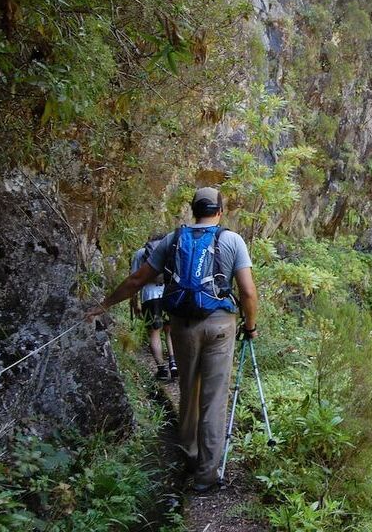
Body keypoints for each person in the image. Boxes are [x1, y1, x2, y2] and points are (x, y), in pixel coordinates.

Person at [86, 187, 258, 492]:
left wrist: (103, 305)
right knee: (214, 399)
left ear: (193, 209)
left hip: (182, 326)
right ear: (220, 210)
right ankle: (206, 476)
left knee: (188, 392)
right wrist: (251, 326)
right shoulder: (232, 240)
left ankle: (189, 456)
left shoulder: (172, 239)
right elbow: (246, 291)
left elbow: (137, 279)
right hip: (220, 325)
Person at [129, 234, 177, 381]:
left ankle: (162, 370)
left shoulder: (140, 254)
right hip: (169, 294)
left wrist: (134, 303)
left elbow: (134, 281)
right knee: (170, 331)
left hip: (150, 296)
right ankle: (173, 364)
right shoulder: (170, 252)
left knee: (154, 333)